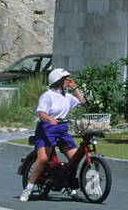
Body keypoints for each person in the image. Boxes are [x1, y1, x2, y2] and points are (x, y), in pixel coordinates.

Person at [20, 67, 85, 201]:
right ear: (58, 81)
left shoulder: (67, 96)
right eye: (66, 79)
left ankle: (71, 188)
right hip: (46, 129)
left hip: (62, 129)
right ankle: (28, 188)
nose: (68, 81)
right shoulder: (47, 96)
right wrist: (50, 119)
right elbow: (41, 113)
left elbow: (82, 102)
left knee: (75, 159)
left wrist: (75, 88)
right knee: (43, 158)